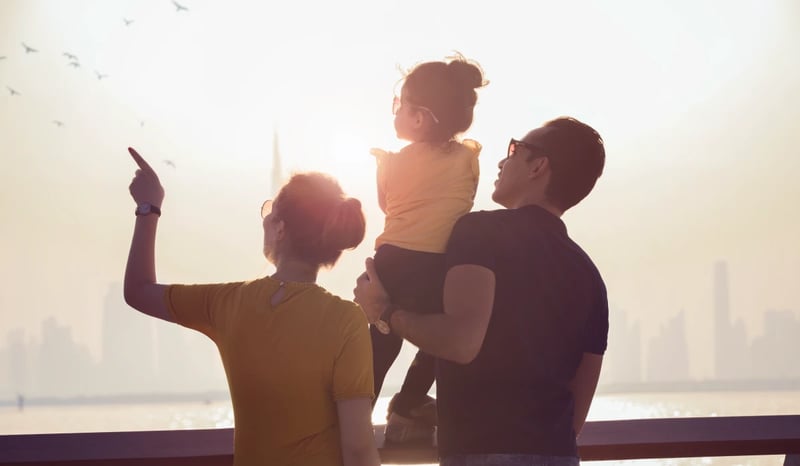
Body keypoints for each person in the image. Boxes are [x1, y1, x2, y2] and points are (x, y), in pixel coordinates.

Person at [355, 117, 608, 465]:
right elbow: (575, 416)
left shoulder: (480, 232)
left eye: (515, 149)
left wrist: (384, 311)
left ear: (539, 167)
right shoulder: (589, 275)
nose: (503, 161)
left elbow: (461, 342)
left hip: (480, 455)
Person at [123, 147, 380, 466]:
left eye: (269, 212)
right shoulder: (346, 320)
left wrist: (149, 208)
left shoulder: (226, 304)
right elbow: (358, 449)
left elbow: (138, 291)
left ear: (281, 228)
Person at [366, 54, 487, 443]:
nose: (395, 112)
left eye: (399, 105)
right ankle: (410, 399)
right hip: (438, 267)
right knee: (441, 340)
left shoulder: (390, 163)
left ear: (419, 118)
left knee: (380, 344)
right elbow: (463, 201)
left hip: (392, 263)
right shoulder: (468, 158)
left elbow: (388, 207)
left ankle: (353, 414)